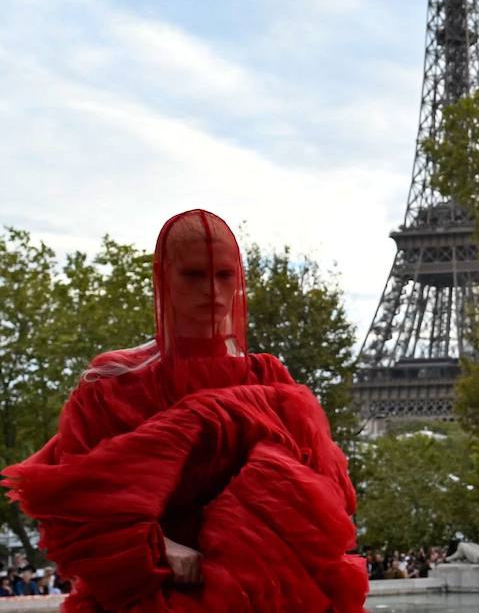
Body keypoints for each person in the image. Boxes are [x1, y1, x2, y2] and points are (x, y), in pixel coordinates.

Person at [2, 209, 369, 611]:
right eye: (194, 275)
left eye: (224, 276)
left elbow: (324, 492)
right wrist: (158, 544)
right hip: (150, 590)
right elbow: (75, 503)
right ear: (164, 277)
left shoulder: (267, 376)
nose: (212, 290)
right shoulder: (113, 383)